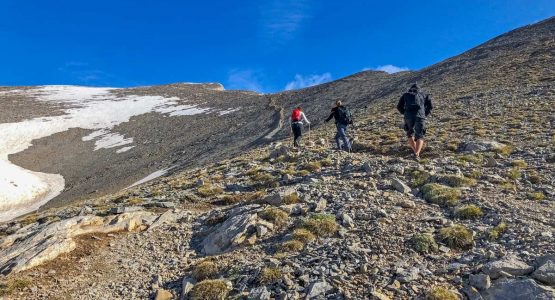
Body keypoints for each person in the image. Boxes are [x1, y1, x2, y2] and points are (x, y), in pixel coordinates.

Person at [397, 83, 433, 160]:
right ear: (419, 89)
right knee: (419, 135)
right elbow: (430, 106)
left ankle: (415, 152)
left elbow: (399, 106)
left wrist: (405, 113)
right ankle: (417, 153)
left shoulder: (405, 95)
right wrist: (424, 114)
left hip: (408, 116)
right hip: (420, 116)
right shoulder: (424, 94)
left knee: (410, 134)